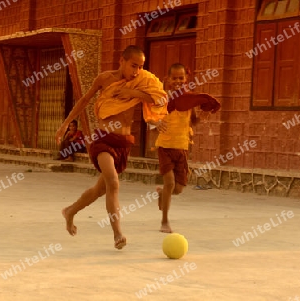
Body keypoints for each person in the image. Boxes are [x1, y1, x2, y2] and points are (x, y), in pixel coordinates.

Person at [57, 45, 168, 250]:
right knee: (113, 183)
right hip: (103, 139)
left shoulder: (142, 81)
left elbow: (159, 98)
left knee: (100, 189)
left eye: (140, 66)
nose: (136, 71)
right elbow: (84, 100)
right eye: (133, 66)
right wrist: (65, 124)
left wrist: (132, 92)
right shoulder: (105, 79)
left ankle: (70, 211)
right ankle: (117, 234)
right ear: (122, 61)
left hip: (124, 143)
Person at [155, 63, 221, 233]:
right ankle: (164, 221)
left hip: (182, 148)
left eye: (181, 78)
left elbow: (193, 122)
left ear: (186, 79)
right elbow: (153, 119)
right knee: (169, 182)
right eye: (174, 78)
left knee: (177, 189)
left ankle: (162, 194)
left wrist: (202, 117)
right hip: (165, 146)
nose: (178, 81)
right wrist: (156, 123)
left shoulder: (188, 101)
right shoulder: (163, 99)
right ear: (168, 79)